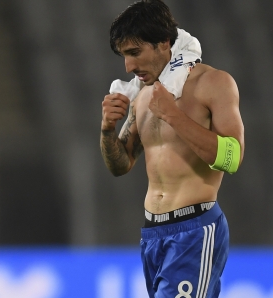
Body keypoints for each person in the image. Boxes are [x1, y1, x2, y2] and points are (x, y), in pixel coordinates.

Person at [99, 1, 245, 297]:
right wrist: (106, 129)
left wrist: (174, 116)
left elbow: (232, 158)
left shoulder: (213, 83)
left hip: (195, 229)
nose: (128, 66)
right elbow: (121, 164)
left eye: (134, 53)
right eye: (124, 56)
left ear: (164, 42)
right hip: (153, 233)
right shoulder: (142, 94)